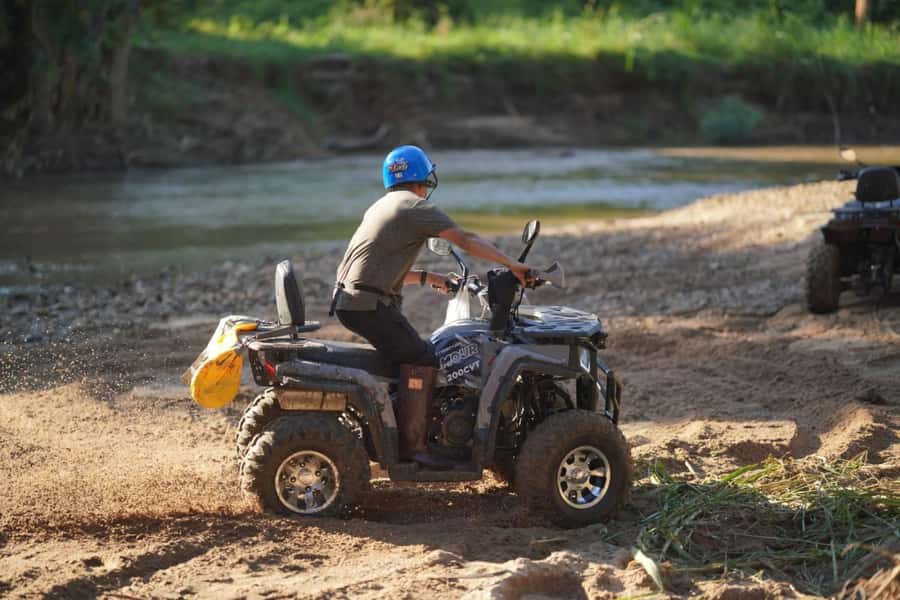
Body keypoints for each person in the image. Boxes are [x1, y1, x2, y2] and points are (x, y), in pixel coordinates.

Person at [332, 145, 533, 469]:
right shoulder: (415, 206)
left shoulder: (383, 206)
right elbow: (465, 239)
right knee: (423, 357)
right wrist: (513, 265)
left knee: (406, 355)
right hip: (367, 304)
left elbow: (379, 267)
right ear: (422, 178)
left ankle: (397, 426)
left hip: (354, 300)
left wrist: (429, 277)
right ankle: (413, 447)